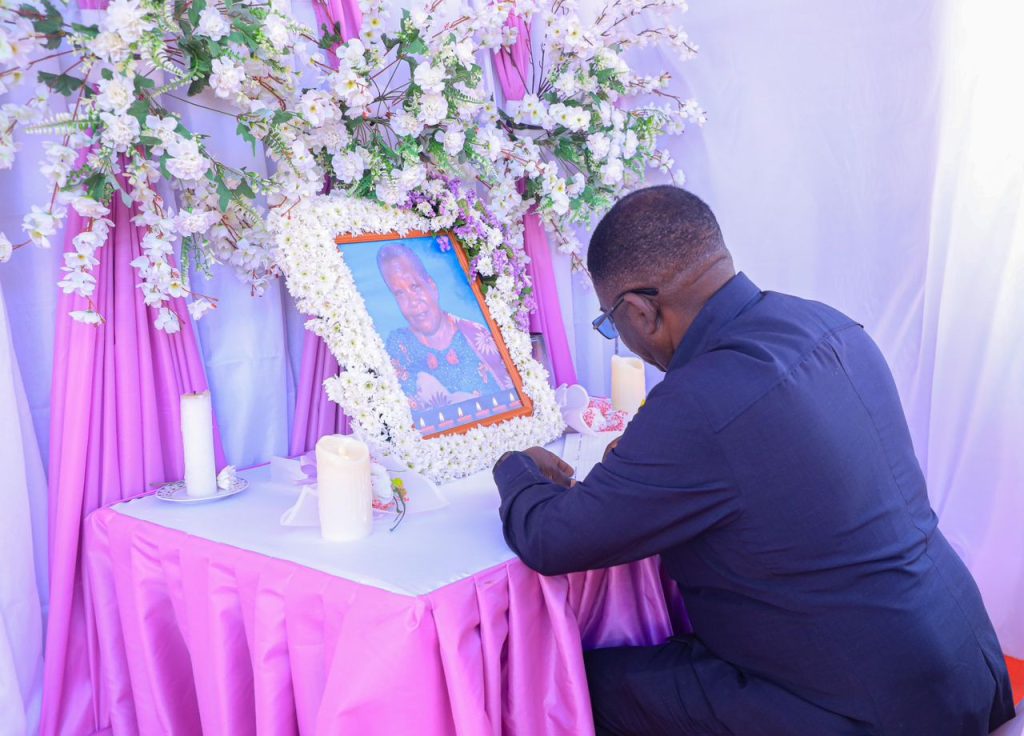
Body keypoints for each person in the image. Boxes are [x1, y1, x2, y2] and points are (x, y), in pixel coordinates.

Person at [492, 186, 1015, 735]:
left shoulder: (699, 399)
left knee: (569, 688)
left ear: (641, 312)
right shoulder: (829, 324)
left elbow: (551, 540)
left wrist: (516, 467)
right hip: (968, 670)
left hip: (859, 711)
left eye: (610, 323)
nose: (619, 336)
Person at [377, 243, 513, 411]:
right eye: (400, 293)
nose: (412, 302)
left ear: (432, 286)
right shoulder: (398, 346)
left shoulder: (476, 336)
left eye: (415, 287)